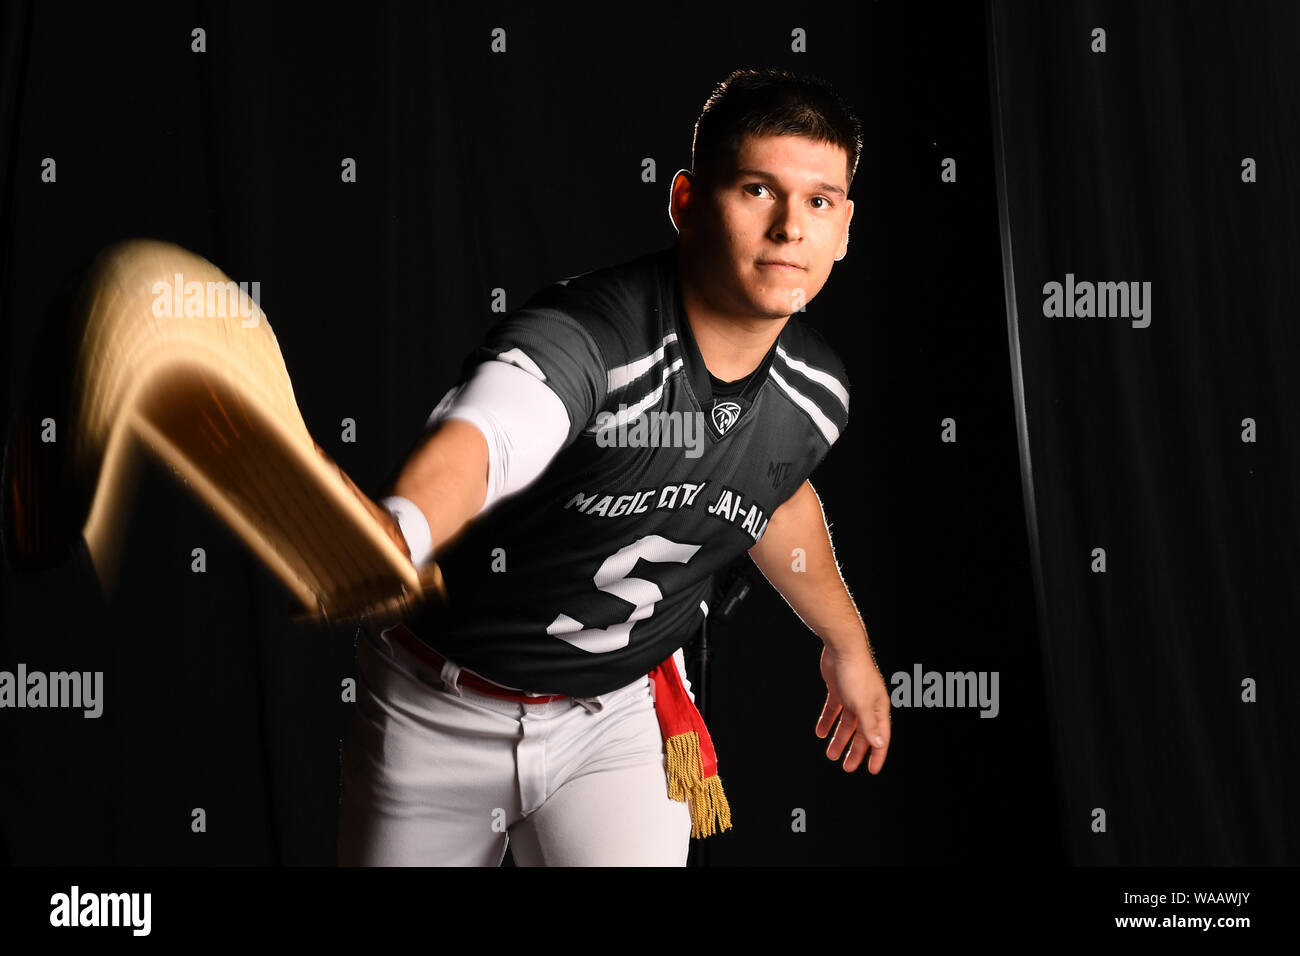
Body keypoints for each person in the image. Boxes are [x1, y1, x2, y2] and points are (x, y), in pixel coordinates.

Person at [335, 67, 891, 867]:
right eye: (757, 191)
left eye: (819, 201)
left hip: (618, 720)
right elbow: (491, 433)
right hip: (438, 709)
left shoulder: (817, 391)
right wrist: (402, 529)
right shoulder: (592, 333)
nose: (789, 230)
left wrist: (850, 645)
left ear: (844, 227)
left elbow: (770, 493)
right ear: (687, 203)